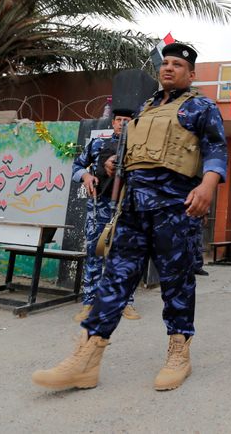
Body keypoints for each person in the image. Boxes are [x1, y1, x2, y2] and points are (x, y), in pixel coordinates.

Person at [33, 42, 228, 392]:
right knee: (115, 280)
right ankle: (87, 358)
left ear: (191, 73)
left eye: (178, 65)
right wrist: (111, 164)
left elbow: (216, 149)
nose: (169, 68)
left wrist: (208, 186)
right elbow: (130, 154)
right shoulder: (144, 107)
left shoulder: (201, 107)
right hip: (133, 209)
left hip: (175, 209)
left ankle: (179, 352)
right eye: (165, 63)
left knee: (177, 283)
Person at [71, 109, 140, 322]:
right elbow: (77, 166)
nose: (122, 123)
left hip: (127, 209)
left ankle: (125, 303)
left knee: (126, 256)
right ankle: (89, 302)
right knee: (94, 253)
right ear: (113, 122)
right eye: (119, 120)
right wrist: (86, 176)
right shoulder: (97, 144)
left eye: (127, 120)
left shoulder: (139, 147)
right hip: (98, 207)